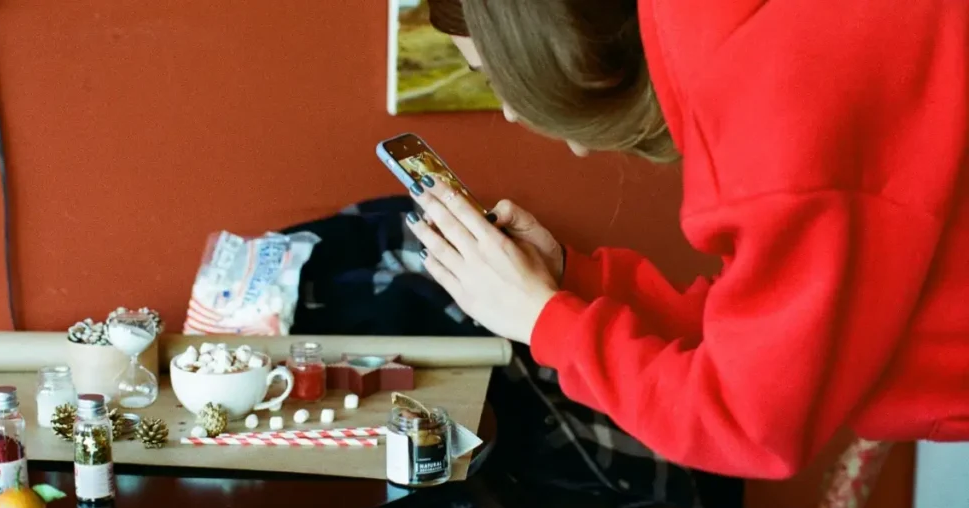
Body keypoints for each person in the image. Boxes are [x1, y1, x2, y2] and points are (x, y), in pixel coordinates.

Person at [408, 0, 969, 479]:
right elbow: (772, 336)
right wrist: (568, 283)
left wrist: (545, 321)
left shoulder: (770, 122)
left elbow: (748, 425)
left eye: (497, 76)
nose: (509, 111)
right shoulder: (753, 39)